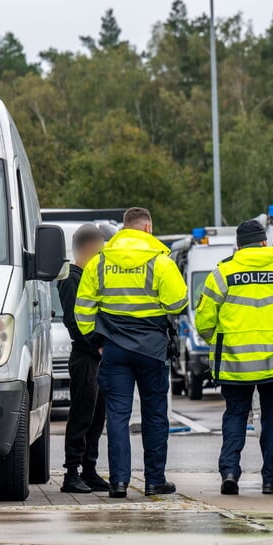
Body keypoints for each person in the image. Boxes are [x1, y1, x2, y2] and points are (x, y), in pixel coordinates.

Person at [75, 207, 188, 499]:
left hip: (114, 350)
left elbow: (83, 311)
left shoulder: (99, 262)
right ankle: (154, 481)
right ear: (148, 228)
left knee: (117, 417)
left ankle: (119, 483)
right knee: (154, 416)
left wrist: (96, 342)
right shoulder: (159, 262)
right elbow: (177, 303)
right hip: (151, 351)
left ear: (124, 228)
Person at [195, 220, 273, 495]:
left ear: (238, 245)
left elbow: (203, 322)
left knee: (235, 417)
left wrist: (219, 341)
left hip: (235, 364)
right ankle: (271, 480)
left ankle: (229, 472)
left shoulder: (222, 274)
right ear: (264, 242)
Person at [58, 224, 109, 494]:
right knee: (82, 416)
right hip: (85, 356)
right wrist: (98, 346)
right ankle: (72, 472)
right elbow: (74, 322)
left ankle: (89, 469)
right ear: (88, 248)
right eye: (100, 250)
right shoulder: (71, 279)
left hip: (96, 356)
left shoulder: (90, 277)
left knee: (97, 416)